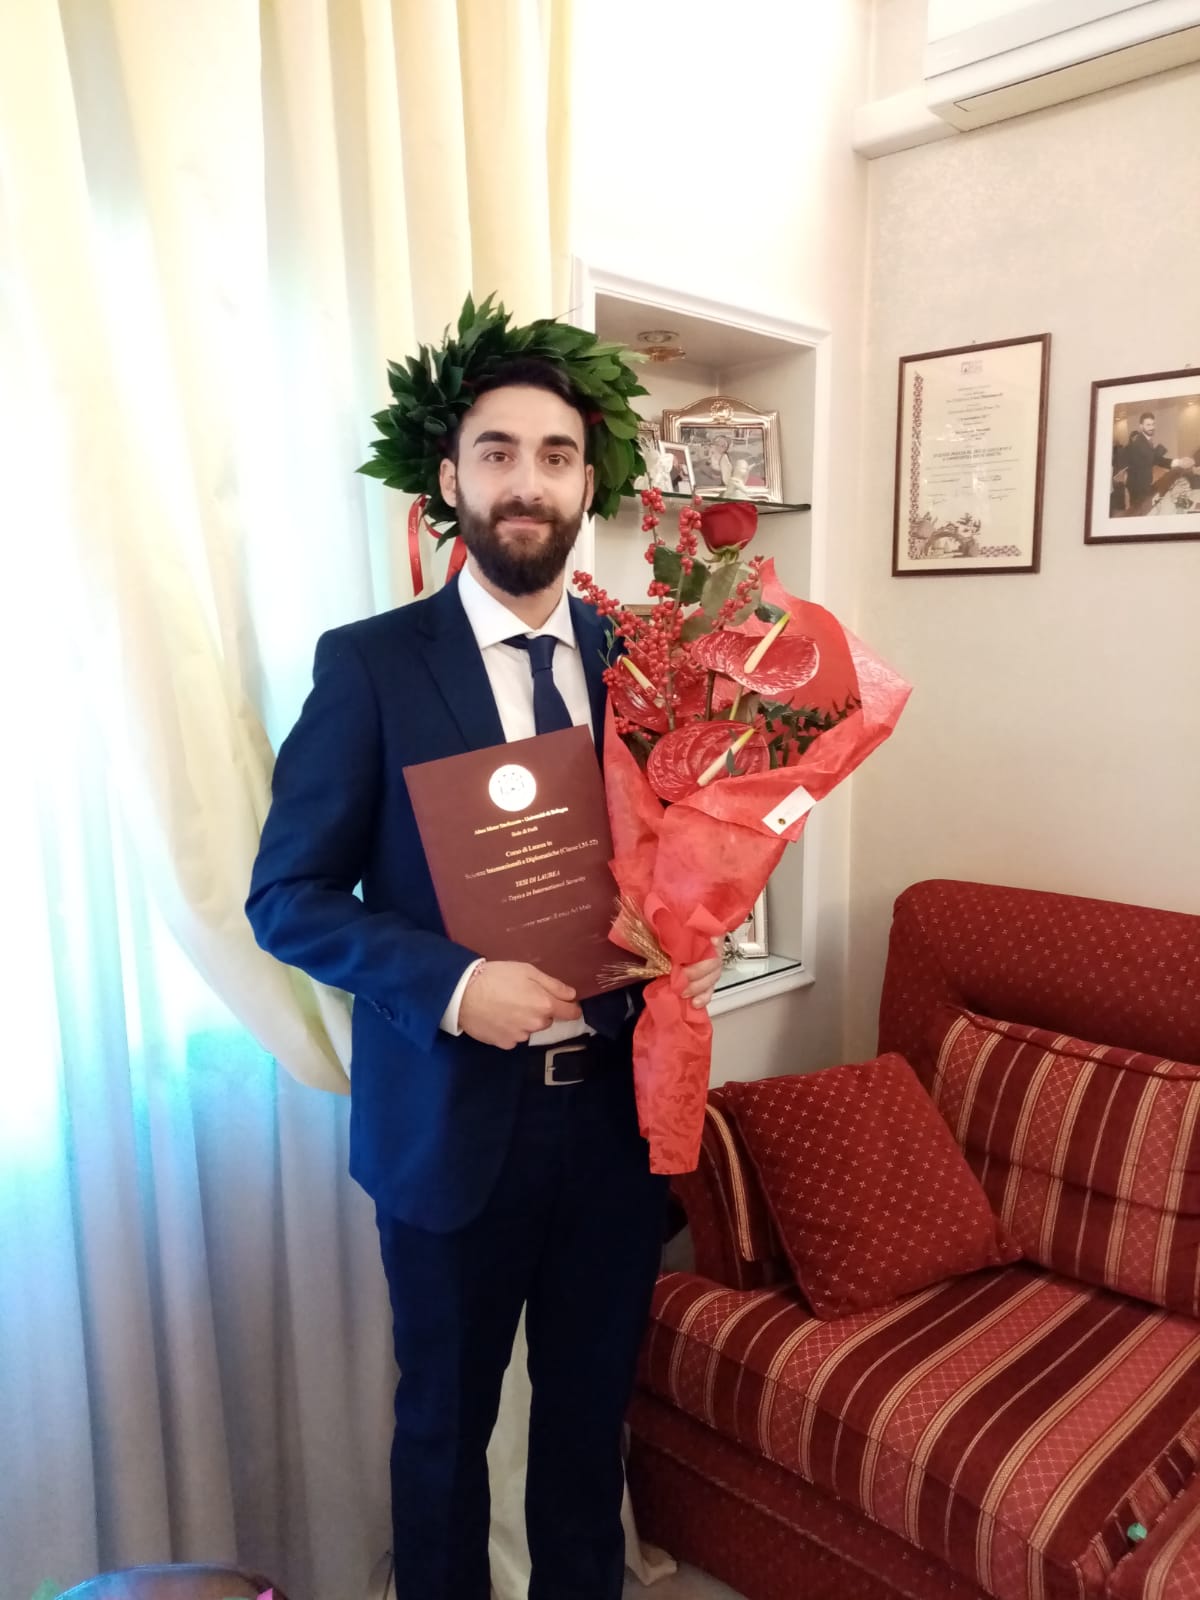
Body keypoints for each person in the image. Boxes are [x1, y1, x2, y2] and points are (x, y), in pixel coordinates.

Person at [246, 303, 723, 1600]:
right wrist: (456, 983)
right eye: (498, 452)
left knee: (585, 1435)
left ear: (586, 483)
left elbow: (673, 859)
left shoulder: (643, 664)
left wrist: (692, 942)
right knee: (444, 1439)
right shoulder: (371, 667)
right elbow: (286, 898)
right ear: (451, 478)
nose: (528, 481)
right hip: (452, 1126)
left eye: (556, 456)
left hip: (614, 1125)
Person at [1120, 411, 1195, 508]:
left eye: (1153, 424)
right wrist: (1180, 462)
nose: (1151, 427)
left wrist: (1179, 462)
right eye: (1148, 425)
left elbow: (1155, 459)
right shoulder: (1139, 442)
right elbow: (1154, 459)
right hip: (1138, 488)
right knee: (1140, 511)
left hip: (1142, 485)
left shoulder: (1146, 440)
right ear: (1141, 426)